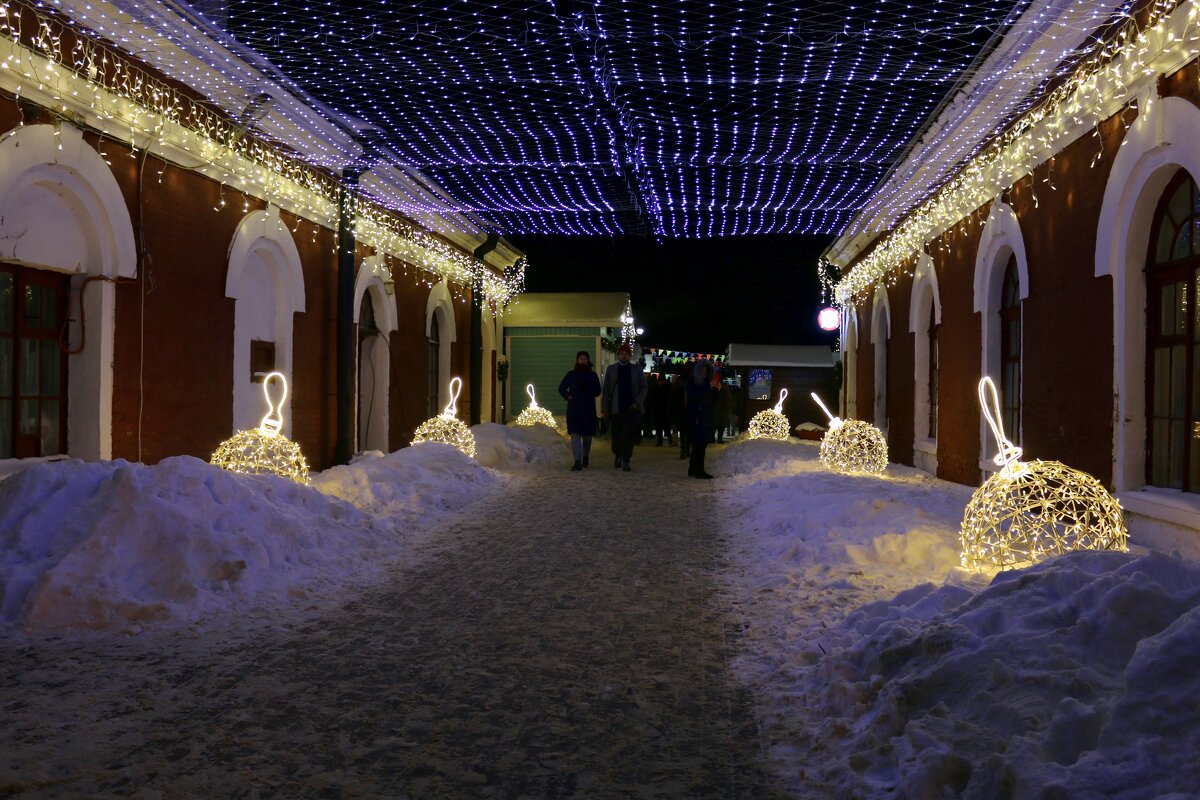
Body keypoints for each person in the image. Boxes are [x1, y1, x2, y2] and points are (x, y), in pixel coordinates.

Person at [601, 343, 647, 471]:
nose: (624, 356)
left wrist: (638, 402)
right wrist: (605, 408)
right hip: (616, 408)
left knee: (628, 435)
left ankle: (626, 459)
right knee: (616, 435)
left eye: (626, 354)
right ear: (618, 355)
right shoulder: (611, 369)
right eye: (622, 354)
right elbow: (606, 390)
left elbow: (644, 387)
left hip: (631, 408)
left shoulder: (636, 369)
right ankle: (618, 455)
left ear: (629, 356)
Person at [559, 350, 602, 471]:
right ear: (577, 360)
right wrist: (568, 396)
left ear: (588, 360)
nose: (583, 360)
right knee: (575, 435)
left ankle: (586, 456)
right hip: (574, 410)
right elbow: (561, 387)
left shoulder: (592, 375)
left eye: (585, 358)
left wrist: (589, 389)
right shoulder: (571, 375)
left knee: (587, 438)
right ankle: (577, 461)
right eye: (581, 358)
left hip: (588, 409)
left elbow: (598, 391)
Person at [685, 360, 719, 479]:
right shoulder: (693, 382)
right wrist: (708, 387)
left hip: (705, 417)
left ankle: (693, 469)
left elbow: (712, 400)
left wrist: (715, 390)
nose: (704, 373)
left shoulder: (706, 382)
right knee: (698, 444)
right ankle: (698, 470)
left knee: (700, 444)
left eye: (706, 370)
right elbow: (695, 397)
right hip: (697, 417)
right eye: (702, 370)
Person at [714, 379, 733, 444]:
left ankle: (717, 439)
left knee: (719, 425)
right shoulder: (724, 391)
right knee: (719, 426)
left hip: (720, 410)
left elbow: (728, 400)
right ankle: (718, 439)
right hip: (720, 411)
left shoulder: (718, 390)